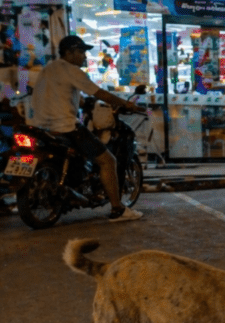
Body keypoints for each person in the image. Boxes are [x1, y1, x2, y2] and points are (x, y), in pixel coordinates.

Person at [30, 35, 147, 221]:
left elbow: (62, 95)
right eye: (81, 51)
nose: (84, 56)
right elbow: (100, 93)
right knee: (108, 161)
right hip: (66, 127)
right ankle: (118, 209)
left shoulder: (48, 69)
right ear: (69, 52)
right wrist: (128, 104)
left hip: (40, 127)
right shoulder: (71, 70)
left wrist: (83, 103)